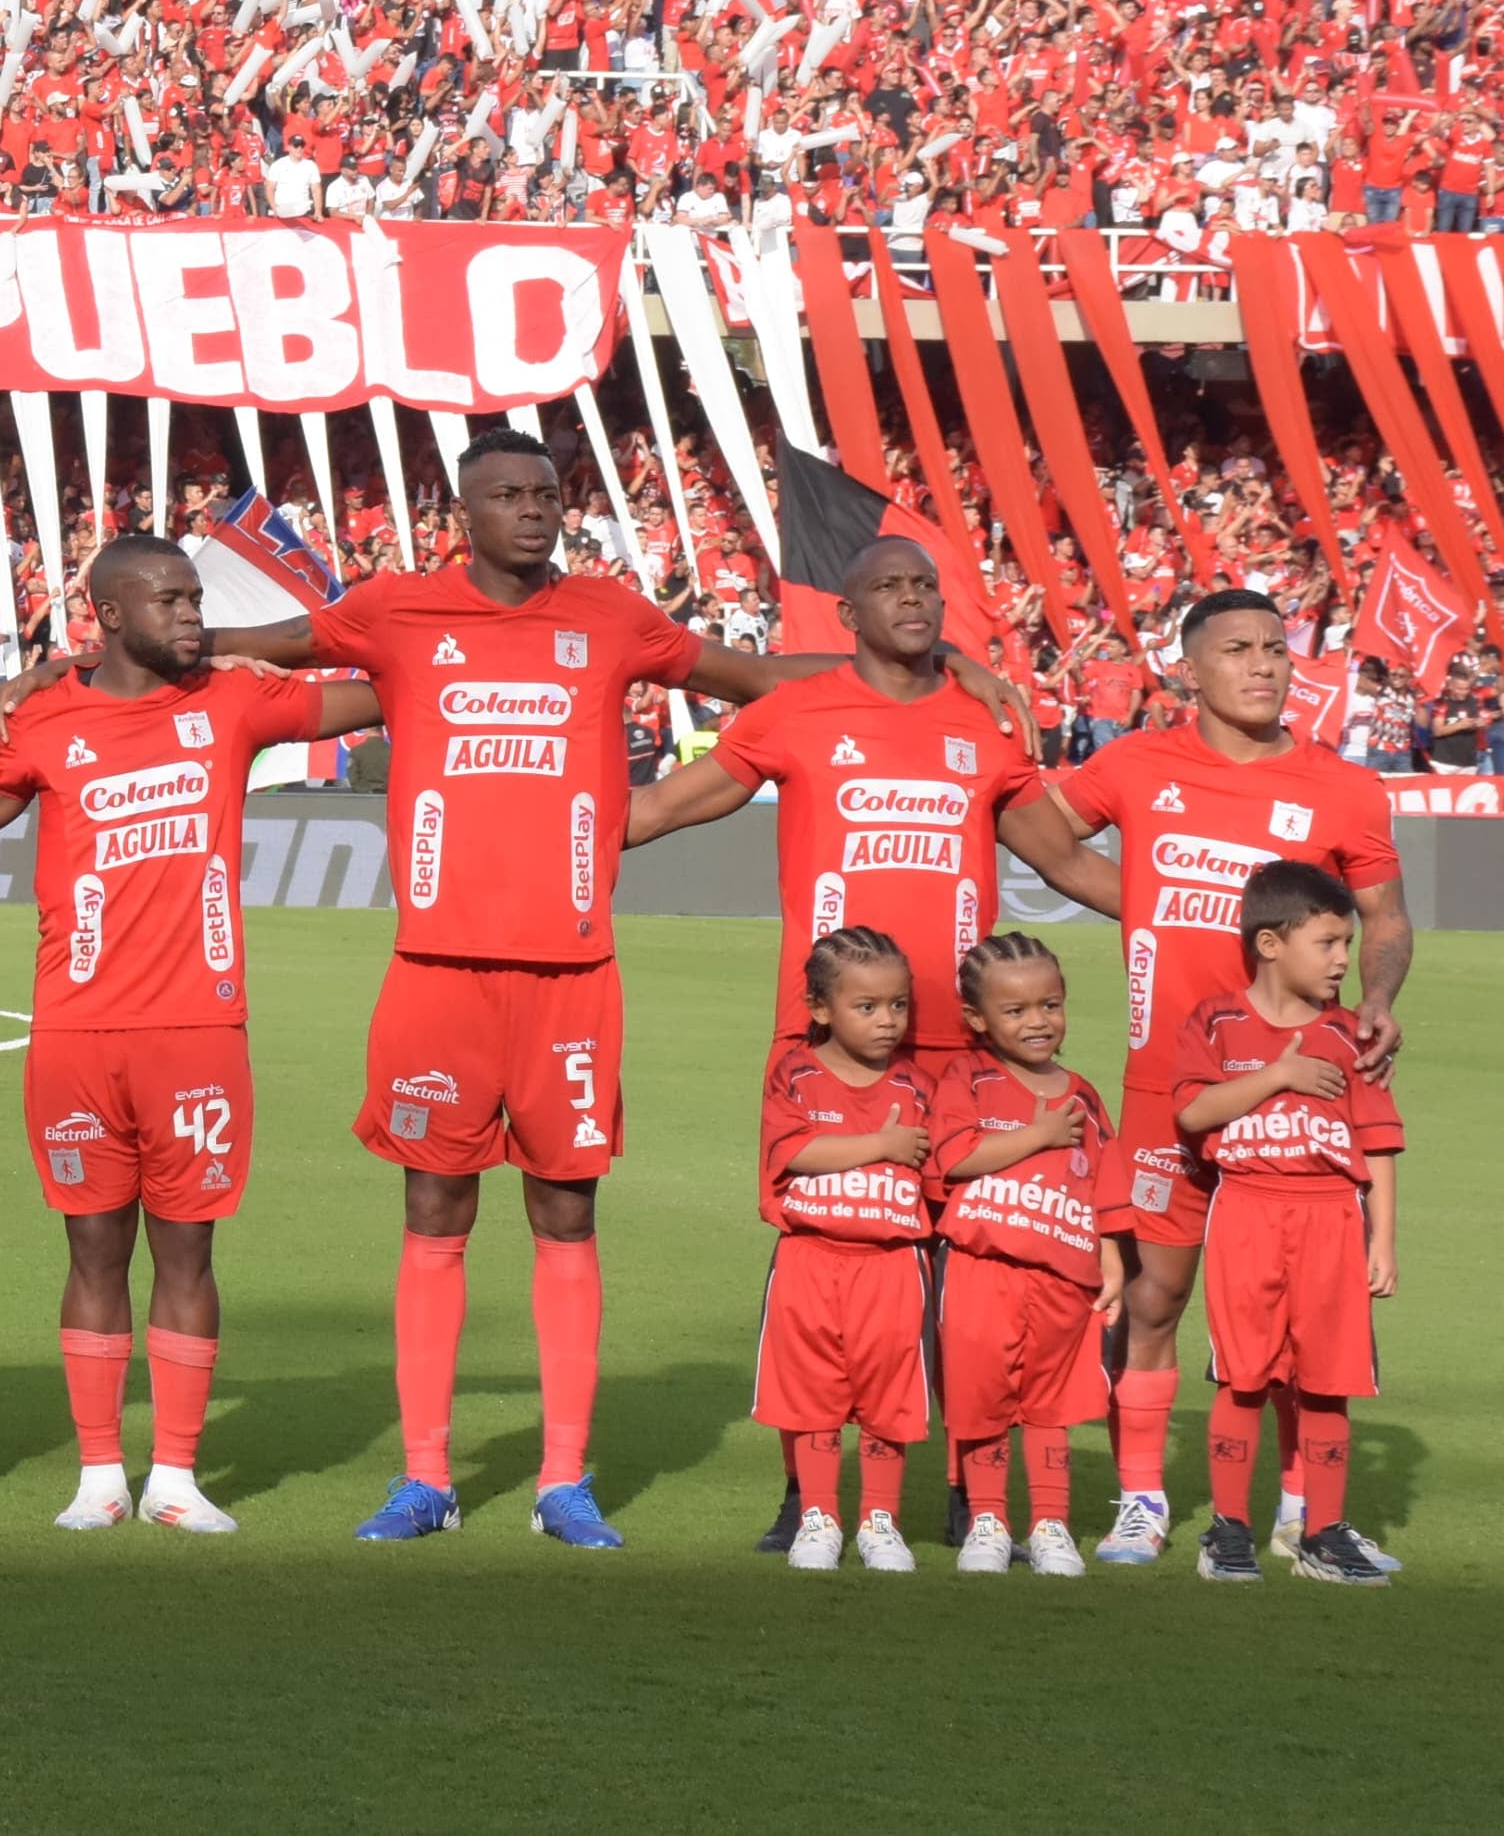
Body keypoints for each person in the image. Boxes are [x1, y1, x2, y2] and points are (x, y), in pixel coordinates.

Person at [194, 426, 1019, 1548]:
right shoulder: (396, 609)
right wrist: (82, 660)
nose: (533, 511)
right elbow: (261, 641)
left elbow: (745, 678)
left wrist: (922, 667)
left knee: (564, 1215)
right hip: (435, 972)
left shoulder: (610, 617)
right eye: (508, 496)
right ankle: (424, 1476)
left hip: (572, 975)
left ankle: (561, 1480)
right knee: (433, 1211)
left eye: (546, 494)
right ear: (463, 514)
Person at [623, 530, 1122, 1546]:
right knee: (817, 1273)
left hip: (957, 1053)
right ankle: (802, 1492)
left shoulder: (982, 727)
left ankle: (956, 1480)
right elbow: (663, 807)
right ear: (843, 615)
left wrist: (1215, 919)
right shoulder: (794, 712)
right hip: (824, 1053)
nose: (911, 599)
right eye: (886, 587)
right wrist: (531, 818)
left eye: (923, 586)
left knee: (955, 1279)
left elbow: (1068, 865)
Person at [0, 535, 370, 1532]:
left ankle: (173, 1477)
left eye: (192, 598)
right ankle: (97, 1481)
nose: (190, 616)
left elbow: (394, 688)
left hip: (197, 1031)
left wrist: (278, 650)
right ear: (111, 615)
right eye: (167, 601)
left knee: (186, 1259)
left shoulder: (232, 701)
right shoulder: (44, 722)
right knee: (89, 1256)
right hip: (77, 1035)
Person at [1044, 586, 1404, 1566]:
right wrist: (1131, 902)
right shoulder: (1134, 763)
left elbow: (1386, 917)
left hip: (1297, 1087)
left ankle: (1296, 1508)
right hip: (1164, 1090)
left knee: (1295, 1313)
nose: (1262, 665)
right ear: (1187, 669)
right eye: (1237, 649)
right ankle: (1139, 1500)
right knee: (1152, 1301)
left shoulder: (1342, 788)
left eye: (1275, 649)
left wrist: (1374, 997)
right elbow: (1035, 828)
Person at [1166, 860, 1400, 1585]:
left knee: (1329, 1381)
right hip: (1246, 1209)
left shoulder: (1350, 1034)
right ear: (1270, 943)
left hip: (1332, 1217)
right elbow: (1192, 1111)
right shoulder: (1215, 1020)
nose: (1342, 960)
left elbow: (1380, 1141)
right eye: (1328, 942)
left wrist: (1382, 1239)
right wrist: (1277, 1075)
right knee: (1243, 1376)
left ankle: (1321, 1533)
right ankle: (1228, 1531)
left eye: (1346, 943)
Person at [928, 933, 1119, 1576]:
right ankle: (986, 1520)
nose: (1038, 1021)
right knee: (982, 1398)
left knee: (1051, 1407)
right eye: (1016, 1011)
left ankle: (1051, 1526)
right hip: (983, 1271)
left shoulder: (1085, 1094)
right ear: (978, 1020)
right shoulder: (968, 1077)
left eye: (1050, 1004)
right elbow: (953, 1157)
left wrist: (1113, 1267)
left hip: (1064, 1278)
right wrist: (1038, 1133)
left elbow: (1107, 1188)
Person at [756, 928, 937, 1571]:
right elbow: (793, 1151)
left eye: (898, 1004)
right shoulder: (796, 1075)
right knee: (814, 1397)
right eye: (867, 1007)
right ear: (821, 1008)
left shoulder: (918, 1086)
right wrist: (880, 1147)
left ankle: (880, 1521)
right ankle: (818, 1517)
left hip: (892, 1265)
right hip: (810, 1259)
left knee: (888, 1399)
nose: (887, 1020)